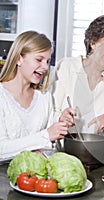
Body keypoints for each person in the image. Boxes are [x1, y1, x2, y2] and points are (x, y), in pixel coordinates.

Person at [52, 14, 104, 140]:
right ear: (93, 42)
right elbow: (50, 112)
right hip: (61, 149)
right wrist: (60, 118)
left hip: (96, 153)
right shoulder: (66, 67)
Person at [0, 31, 70, 162]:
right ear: (18, 59)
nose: (45, 67)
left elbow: (50, 148)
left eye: (48, 61)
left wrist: (60, 124)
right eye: (39, 59)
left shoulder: (44, 97)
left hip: (34, 178)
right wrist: (45, 136)